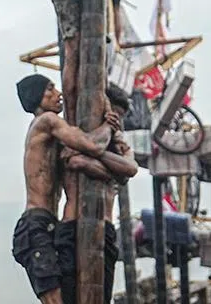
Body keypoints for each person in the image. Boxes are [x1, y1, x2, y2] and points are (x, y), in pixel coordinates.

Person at [13, 75, 127, 304]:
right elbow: (92, 145)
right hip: (35, 224)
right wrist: (107, 125)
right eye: (50, 89)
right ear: (38, 97)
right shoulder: (46, 121)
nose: (58, 93)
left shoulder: (54, 133)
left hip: (48, 224)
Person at [56, 87, 138, 304]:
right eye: (112, 113)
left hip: (106, 228)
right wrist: (110, 169)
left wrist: (94, 154)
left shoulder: (122, 148)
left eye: (118, 117)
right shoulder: (74, 137)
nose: (114, 119)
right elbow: (74, 161)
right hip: (72, 226)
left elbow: (130, 169)